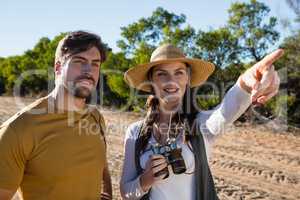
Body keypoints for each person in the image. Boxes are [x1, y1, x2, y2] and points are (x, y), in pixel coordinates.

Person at [120, 44, 283, 200]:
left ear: (188, 79)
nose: (171, 80)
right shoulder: (135, 132)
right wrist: (145, 181)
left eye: (179, 73)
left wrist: (245, 84)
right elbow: (126, 193)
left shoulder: (201, 124)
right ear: (151, 81)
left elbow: (228, 109)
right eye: (162, 74)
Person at [0, 31, 112, 200]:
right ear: (58, 67)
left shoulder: (95, 117)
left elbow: (102, 168)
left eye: (95, 64)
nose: (89, 70)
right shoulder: (18, 129)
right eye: (79, 61)